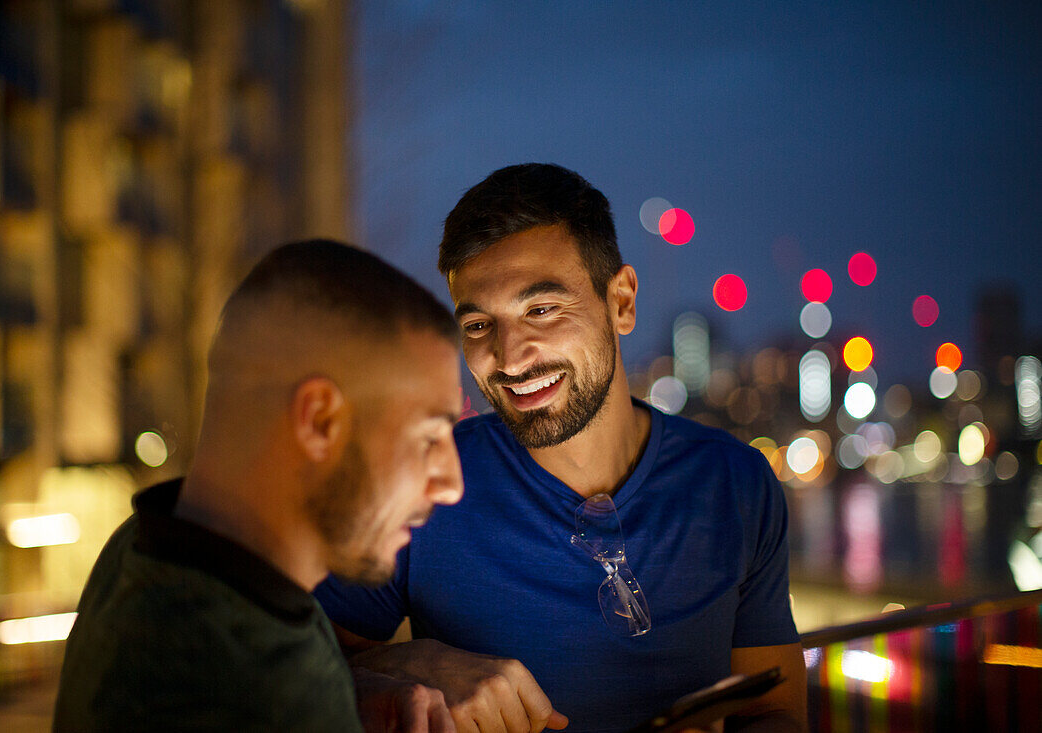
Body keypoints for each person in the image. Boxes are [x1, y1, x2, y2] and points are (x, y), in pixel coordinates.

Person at [315, 165, 807, 732]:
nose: (510, 356)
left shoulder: (735, 483)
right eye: (477, 325)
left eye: (541, 310)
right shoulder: (418, 481)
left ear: (621, 301)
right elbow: (286, 677)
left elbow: (774, 710)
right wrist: (406, 666)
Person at [54, 240, 465, 732]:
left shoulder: (144, 551)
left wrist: (344, 690)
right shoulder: (252, 692)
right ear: (319, 419)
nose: (451, 484)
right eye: (428, 437)